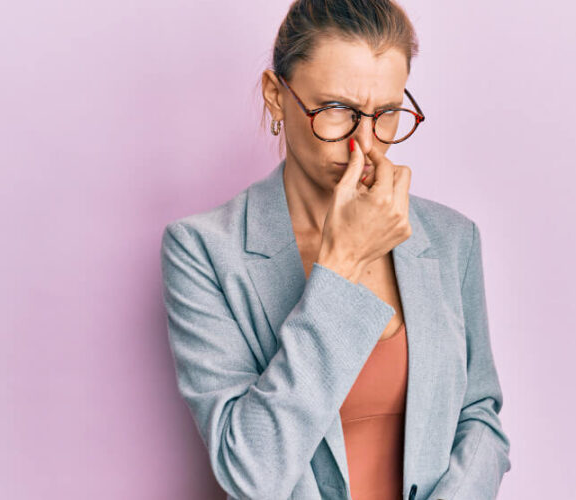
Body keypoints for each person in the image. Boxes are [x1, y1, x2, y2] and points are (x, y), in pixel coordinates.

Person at [160, 1, 511, 498]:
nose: (364, 145)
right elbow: (250, 472)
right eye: (336, 111)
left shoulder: (453, 239)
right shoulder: (203, 251)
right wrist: (342, 267)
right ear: (276, 96)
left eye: (386, 114)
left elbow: (480, 417)